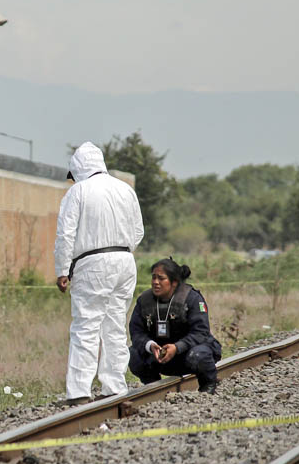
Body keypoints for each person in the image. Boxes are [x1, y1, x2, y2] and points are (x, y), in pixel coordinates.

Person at [54, 141, 144, 405]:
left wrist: (62, 269)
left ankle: (79, 392)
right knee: (115, 325)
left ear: (78, 169)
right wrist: (121, 251)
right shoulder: (126, 190)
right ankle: (114, 387)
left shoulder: (78, 192)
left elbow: (65, 234)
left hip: (92, 264)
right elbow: (138, 231)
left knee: (86, 325)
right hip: (125, 261)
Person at [128, 258, 221, 393]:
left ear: (174, 282)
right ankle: (153, 388)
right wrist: (150, 345)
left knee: (198, 355)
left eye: (161, 278)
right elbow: (136, 332)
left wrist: (177, 347)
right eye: (153, 277)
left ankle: (208, 385)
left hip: (187, 353)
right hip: (159, 356)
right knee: (132, 354)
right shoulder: (144, 301)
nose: (155, 282)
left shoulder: (192, 298)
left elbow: (201, 332)